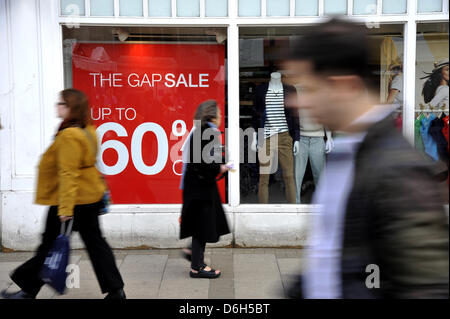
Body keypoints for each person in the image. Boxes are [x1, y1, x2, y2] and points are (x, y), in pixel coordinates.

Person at [284, 18, 449, 298]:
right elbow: (332, 261)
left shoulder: (398, 171)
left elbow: (428, 288)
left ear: (343, 86)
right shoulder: (347, 153)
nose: (296, 101)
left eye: (309, 89)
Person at [1, 89, 125, 299]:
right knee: (96, 245)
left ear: (70, 108)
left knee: (49, 244)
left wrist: (65, 209)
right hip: (88, 197)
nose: (57, 106)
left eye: (61, 103)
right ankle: (116, 290)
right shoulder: (88, 129)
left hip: (70, 200)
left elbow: (68, 173)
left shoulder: (69, 134)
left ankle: (27, 290)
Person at [179, 100, 231, 279]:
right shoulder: (208, 132)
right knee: (203, 225)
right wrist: (221, 168)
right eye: (219, 113)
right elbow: (202, 163)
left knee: (202, 223)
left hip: (197, 186)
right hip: (201, 188)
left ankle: (193, 253)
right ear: (212, 115)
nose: (221, 116)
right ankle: (197, 267)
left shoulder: (200, 131)